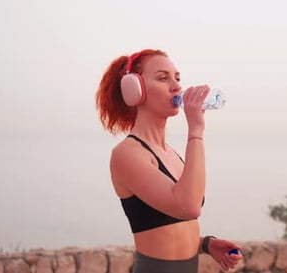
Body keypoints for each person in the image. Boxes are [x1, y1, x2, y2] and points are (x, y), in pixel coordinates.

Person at [95, 49, 242, 273]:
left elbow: (168, 227)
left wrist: (205, 244)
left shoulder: (171, 153)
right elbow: (189, 206)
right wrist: (196, 130)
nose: (176, 86)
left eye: (177, 78)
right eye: (163, 78)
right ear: (135, 90)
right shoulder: (127, 154)